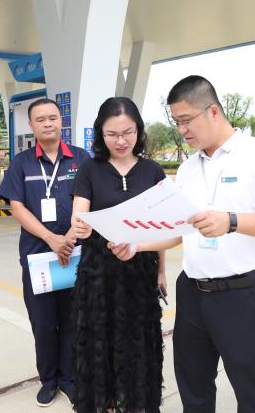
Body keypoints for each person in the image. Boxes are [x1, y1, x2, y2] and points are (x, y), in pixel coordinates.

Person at [139, 75, 255, 413]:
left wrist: (231, 221)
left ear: (212, 111)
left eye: (186, 120)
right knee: (193, 386)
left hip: (239, 294)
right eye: (176, 122)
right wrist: (136, 245)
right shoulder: (187, 169)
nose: (181, 130)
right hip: (192, 292)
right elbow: (180, 230)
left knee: (251, 390)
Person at [71, 97, 167, 413]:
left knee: (138, 342)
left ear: (139, 130)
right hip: (98, 274)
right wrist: (79, 226)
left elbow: (163, 227)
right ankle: (105, 404)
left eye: (128, 132)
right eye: (112, 134)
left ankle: (137, 404)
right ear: (101, 134)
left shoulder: (153, 171)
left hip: (140, 271)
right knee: (99, 343)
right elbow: (79, 215)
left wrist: (161, 271)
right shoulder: (90, 169)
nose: (121, 141)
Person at [0, 98, 90, 407]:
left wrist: (69, 238)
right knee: (43, 322)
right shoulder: (21, 163)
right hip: (39, 256)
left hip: (75, 254)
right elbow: (17, 207)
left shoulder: (81, 159)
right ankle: (48, 380)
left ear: (61, 120)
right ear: (31, 125)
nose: (48, 123)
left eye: (53, 117)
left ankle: (70, 378)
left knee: (74, 319)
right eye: (40, 119)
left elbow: (89, 200)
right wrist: (51, 238)